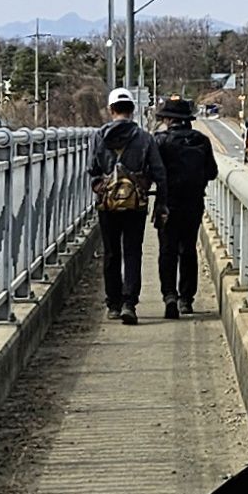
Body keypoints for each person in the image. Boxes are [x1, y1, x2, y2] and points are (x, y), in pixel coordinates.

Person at [90, 88, 156, 323]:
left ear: (111, 110)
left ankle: (113, 304)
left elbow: (92, 170)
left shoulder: (98, 136)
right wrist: (160, 201)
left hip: (107, 204)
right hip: (135, 203)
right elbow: (158, 170)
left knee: (111, 253)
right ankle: (130, 302)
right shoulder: (145, 138)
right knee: (132, 251)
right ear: (133, 110)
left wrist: (101, 187)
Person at [149, 96, 218, 318]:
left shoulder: (159, 141)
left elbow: (151, 173)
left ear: (168, 119)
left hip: (166, 203)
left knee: (167, 250)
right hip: (193, 203)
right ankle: (186, 299)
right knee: (188, 248)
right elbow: (212, 172)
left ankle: (169, 295)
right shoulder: (201, 140)